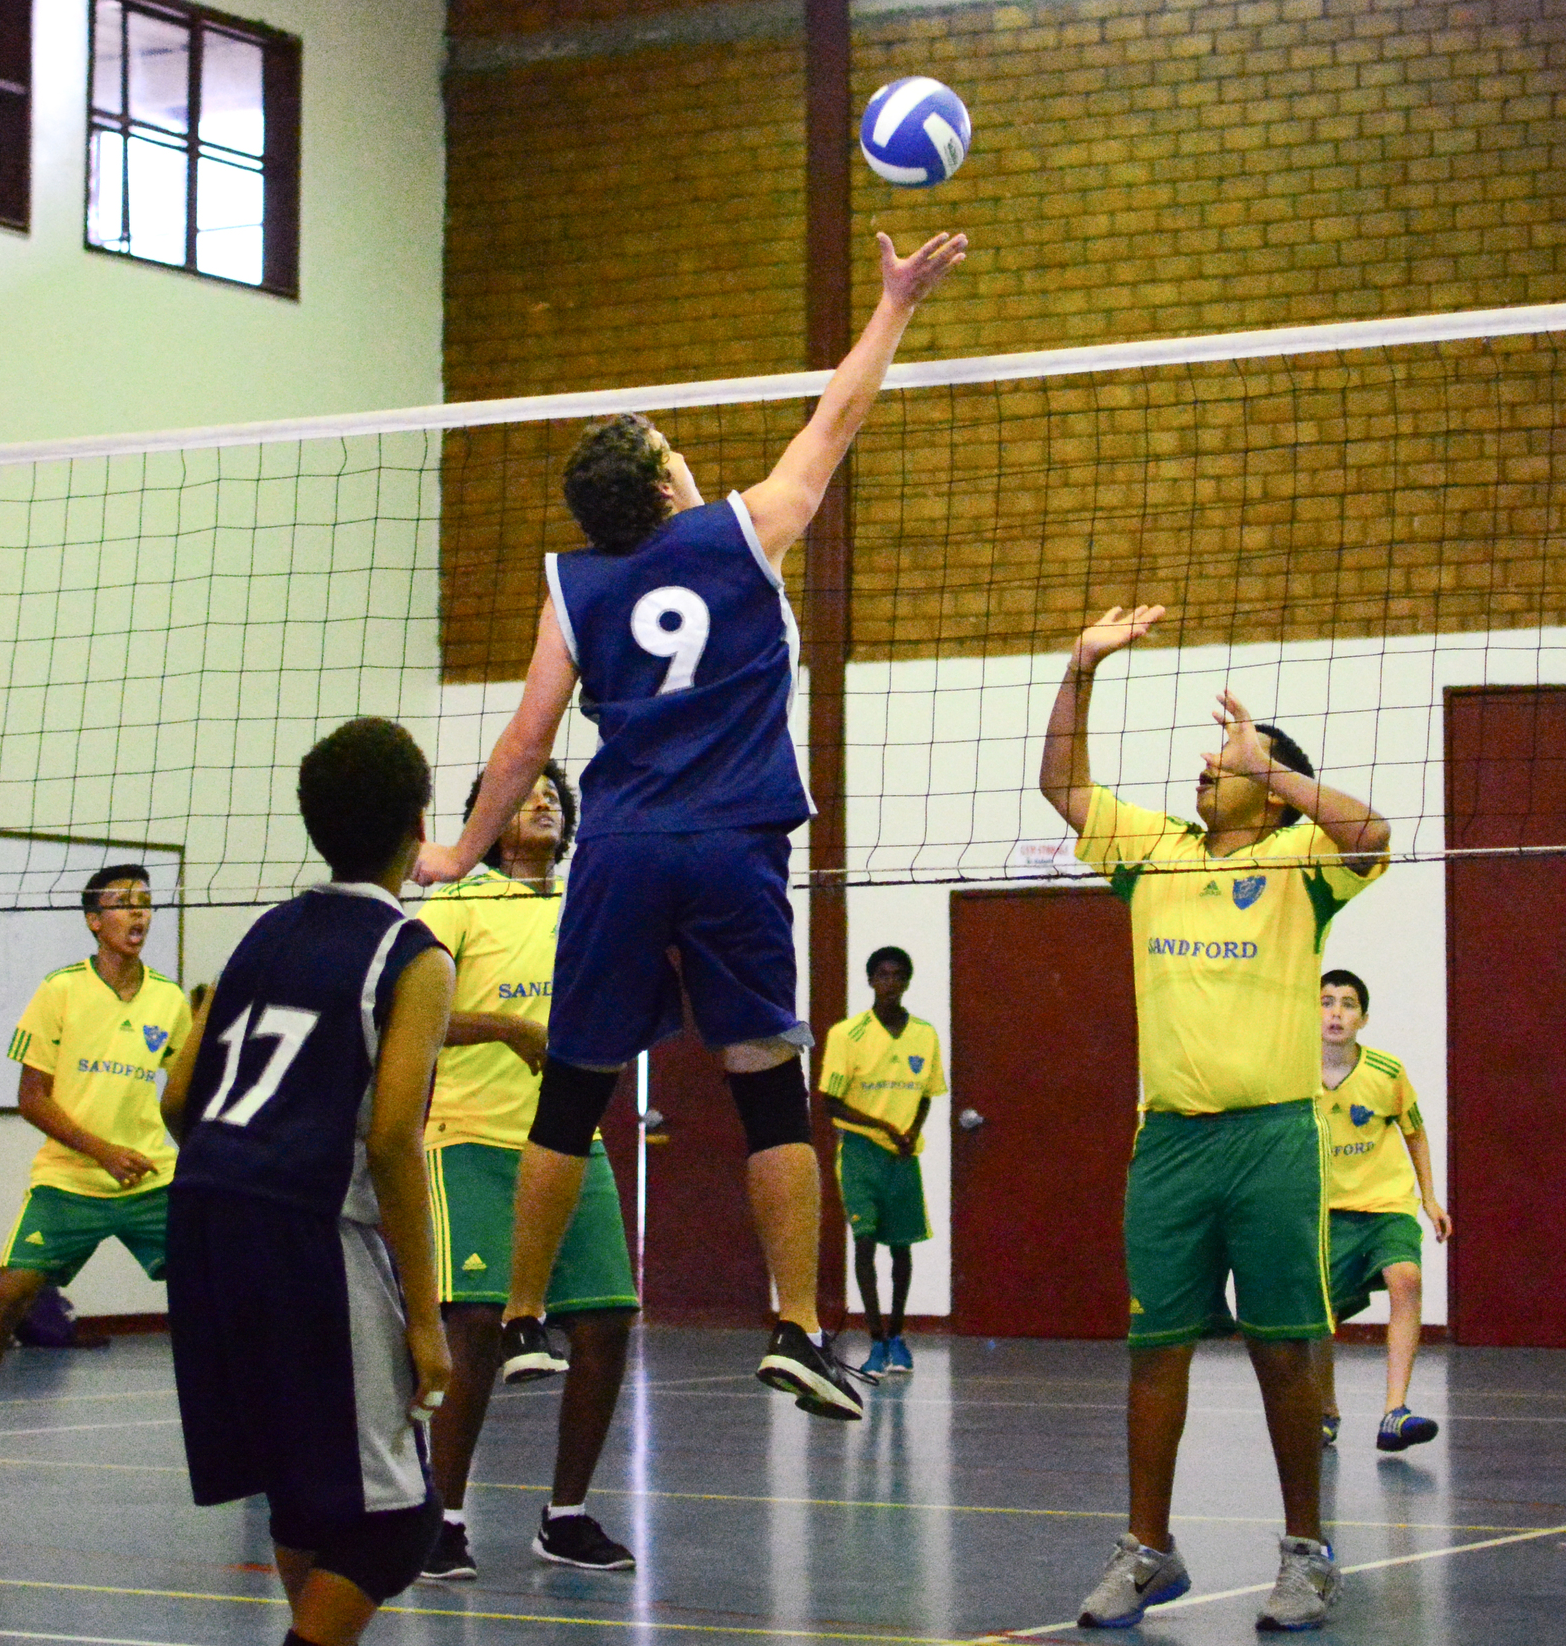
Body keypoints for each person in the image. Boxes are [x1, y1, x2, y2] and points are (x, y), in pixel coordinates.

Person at [413, 228, 969, 1423]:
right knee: (768, 1085)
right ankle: (797, 1326)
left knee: (573, 1086)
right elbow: (838, 417)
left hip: (614, 847)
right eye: (676, 449)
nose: (688, 456)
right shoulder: (743, 528)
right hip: (731, 840)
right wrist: (893, 307)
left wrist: (457, 854)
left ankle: (519, 1321)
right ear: (668, 485)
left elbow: (523, 738)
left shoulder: (574, 584)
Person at [1040, 605, 1389, 1634]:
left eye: (1229, 757)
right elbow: (1062, 785)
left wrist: (1274, 768)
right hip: (1169, 1143)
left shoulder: (1297, 859)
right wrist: (1081, 668)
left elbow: (1373, 838)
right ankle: (1148, 1549)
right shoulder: (1152, 849)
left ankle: (1306, 1553)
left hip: (1273, 1139)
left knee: (1285, 1350)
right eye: (1214, 754)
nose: (1209, 764)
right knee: (1156, 1349)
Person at [159, 717, 455, 1646]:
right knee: (398, 1525)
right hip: (305, 1231)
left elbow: (179, 1097)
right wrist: (425, 1316)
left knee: (303, 1491)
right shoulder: (414, 953)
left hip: (204, 1213)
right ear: (421, 820)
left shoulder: (262, 933)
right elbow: (394, 1141)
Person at [414, 763, 638, 1581]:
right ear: (488, 817)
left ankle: (566, 1515)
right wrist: (509, 1027)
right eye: (526, 789)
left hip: (571, 1142)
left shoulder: (587, 901)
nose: (542, 796)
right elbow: (418, 1011)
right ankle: (443, 1517)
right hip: (471, 1136)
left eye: (554, 790)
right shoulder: (459, 900)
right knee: (473, 1324)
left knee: (607, 1322)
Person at [0, 865, 194, 1495]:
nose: (138, 915)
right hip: (70, 1181)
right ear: (95, 921)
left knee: (228, 1289)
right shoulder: (59, 991)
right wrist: (103, 1151)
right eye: (122, 905)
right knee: (8, 1297)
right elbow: (31, 1098)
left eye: (145, 904)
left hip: (152, 1181)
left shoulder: (170, 1001)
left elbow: (183, 1097)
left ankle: (257, 1442)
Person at [1313, 969, 1451, 1454]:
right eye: (1326, 1001)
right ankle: (1325, 1409)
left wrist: (1429, 1198)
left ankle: (1395, 1412)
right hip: (1324, 1210)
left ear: (1363, 1019)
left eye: (1347, 1004)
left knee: (1406, 1278)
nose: (1335, 1012)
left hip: (1386, 1202)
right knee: (1317, 1316)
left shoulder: (1387, 1073)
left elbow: (1414, 1132)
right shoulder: (1290, 1075)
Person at [818, 945, 946, 1377]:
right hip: (860, 1153)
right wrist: (886, 1128)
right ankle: (873, 1341)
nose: (890, 984)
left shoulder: (924, 1035)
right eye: (882, 975)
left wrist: (909, 1130)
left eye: (898, 976)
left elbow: (926, 1093)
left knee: (902, 1248)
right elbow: (829, 1103)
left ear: (908, 981)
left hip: (902, 1157)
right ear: (870, 980)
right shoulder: (847, 1035)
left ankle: (896, 1336)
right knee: (866, 1242)